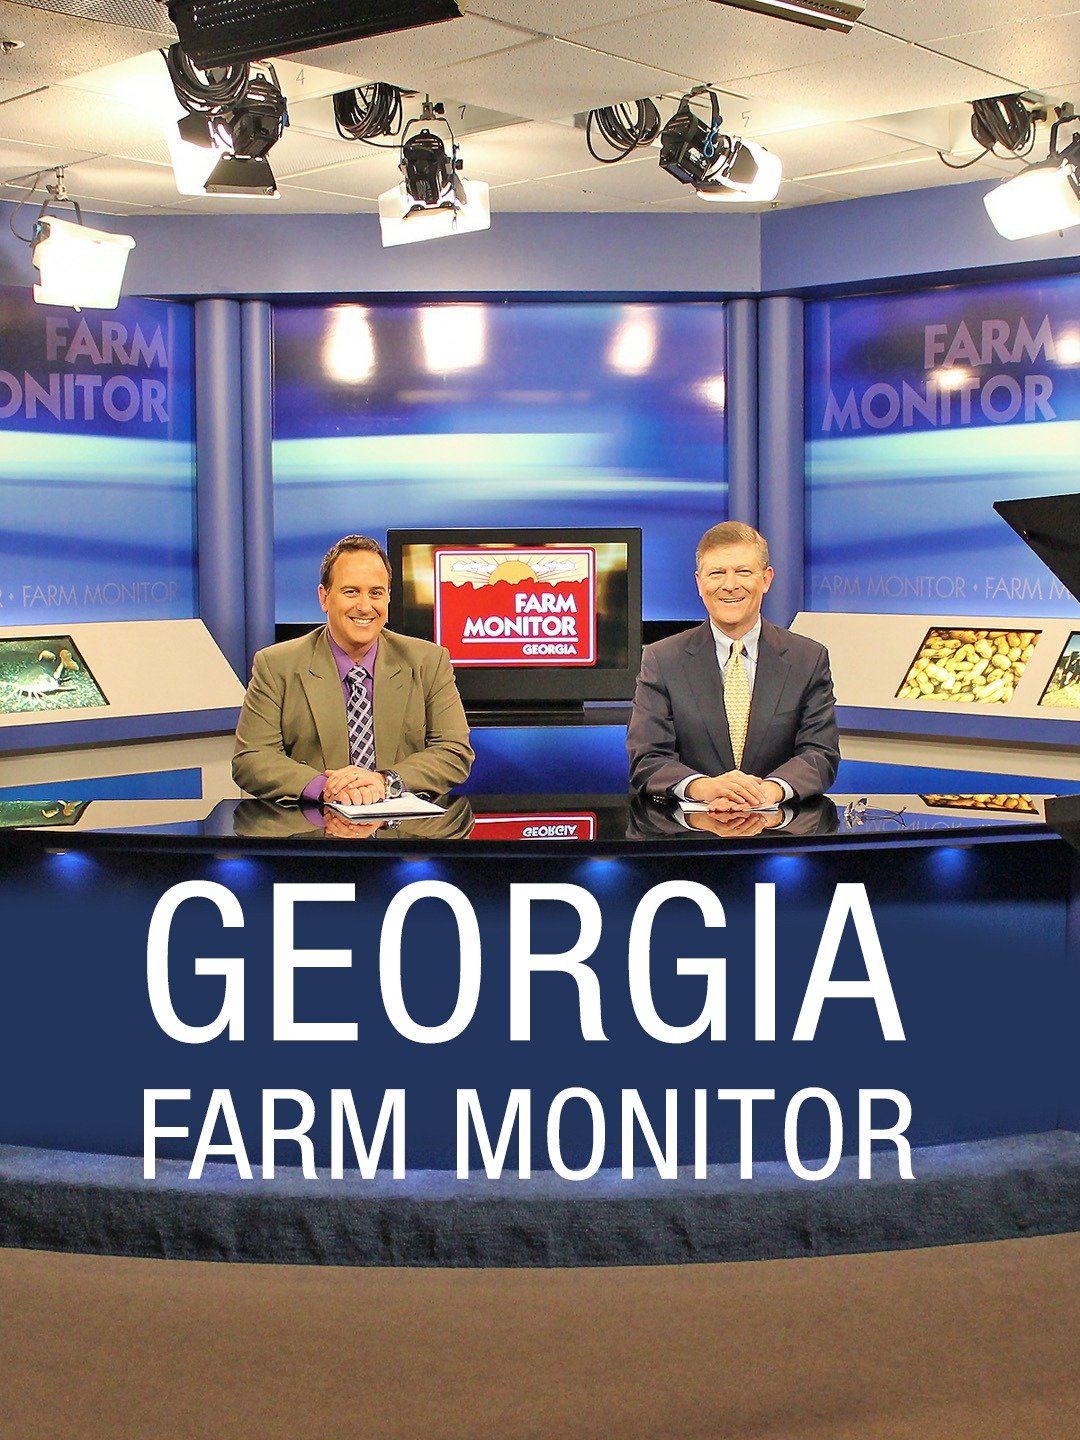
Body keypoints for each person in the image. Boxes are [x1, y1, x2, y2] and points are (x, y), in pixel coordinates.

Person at [233, 535, 473, 805]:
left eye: (376, 593)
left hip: (404, 827)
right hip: (312, 824)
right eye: (351, 592)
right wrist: (325, 787)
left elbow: (454, 752)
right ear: (324, 597)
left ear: (388, 597)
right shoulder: (276, 665)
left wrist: (385, 782)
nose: (365, 606)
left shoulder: (429, 661)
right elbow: (251, 758)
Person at [627, 521, 839, 811]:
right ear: (699, 583)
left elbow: (820, 753)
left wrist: (767, 791)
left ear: (766, 579)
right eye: (717, 573)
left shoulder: (808, 659)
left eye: (743, 572)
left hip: (780, 829)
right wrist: (706, 788)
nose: (730, 585)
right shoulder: (661, 660)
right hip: (689, 831)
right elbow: (647, 758)